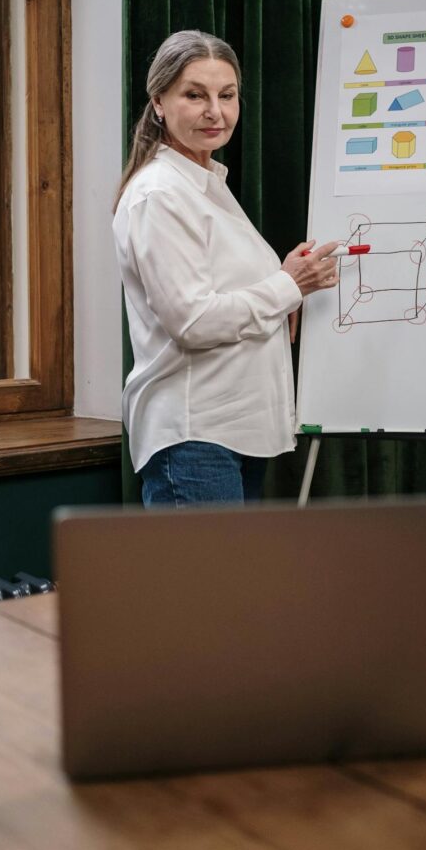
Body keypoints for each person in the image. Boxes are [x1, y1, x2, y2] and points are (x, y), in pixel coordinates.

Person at [113, 29, 338, 508]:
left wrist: (284, 286)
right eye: (195, 95)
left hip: (233, 429)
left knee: (230, 583)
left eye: (227, 95)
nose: (215, 111)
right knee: (206, 585)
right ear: (158, 102)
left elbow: (220, 290)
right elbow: (192, 321)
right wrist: (286, 286)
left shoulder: (206, 184)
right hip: (195, 436)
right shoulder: (161, 195)